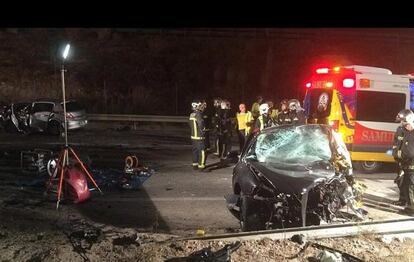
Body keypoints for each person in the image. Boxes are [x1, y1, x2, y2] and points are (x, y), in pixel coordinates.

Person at [392, 109, 414, 206]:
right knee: (401, 182)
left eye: (403, 121)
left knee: (410, 184)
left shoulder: (412, 131)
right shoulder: (400, 130)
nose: (401, 123)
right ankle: (402, 199)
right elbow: (396, 143)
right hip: (400, 161)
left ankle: (410, 206)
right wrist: (396, 155)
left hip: (410, 162)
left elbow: (409, 150)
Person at [398, 112, 414, 215]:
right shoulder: (406, 132)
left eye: (405, 123)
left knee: (411, 186)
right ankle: (409, 206)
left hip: (412, 163)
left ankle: (411, 208)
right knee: (407, 185)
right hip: (407, 164)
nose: (403, 125)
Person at [189, 100, 207, 171]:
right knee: (202, 151)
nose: (201, 107)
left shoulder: (192, 114)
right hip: (199, 136)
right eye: (200, 105)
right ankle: (201, 166)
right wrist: (203, 131)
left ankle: (195, 165)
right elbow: (201, 124)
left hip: (193, 136)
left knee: (195, 151)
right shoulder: (198, 114)